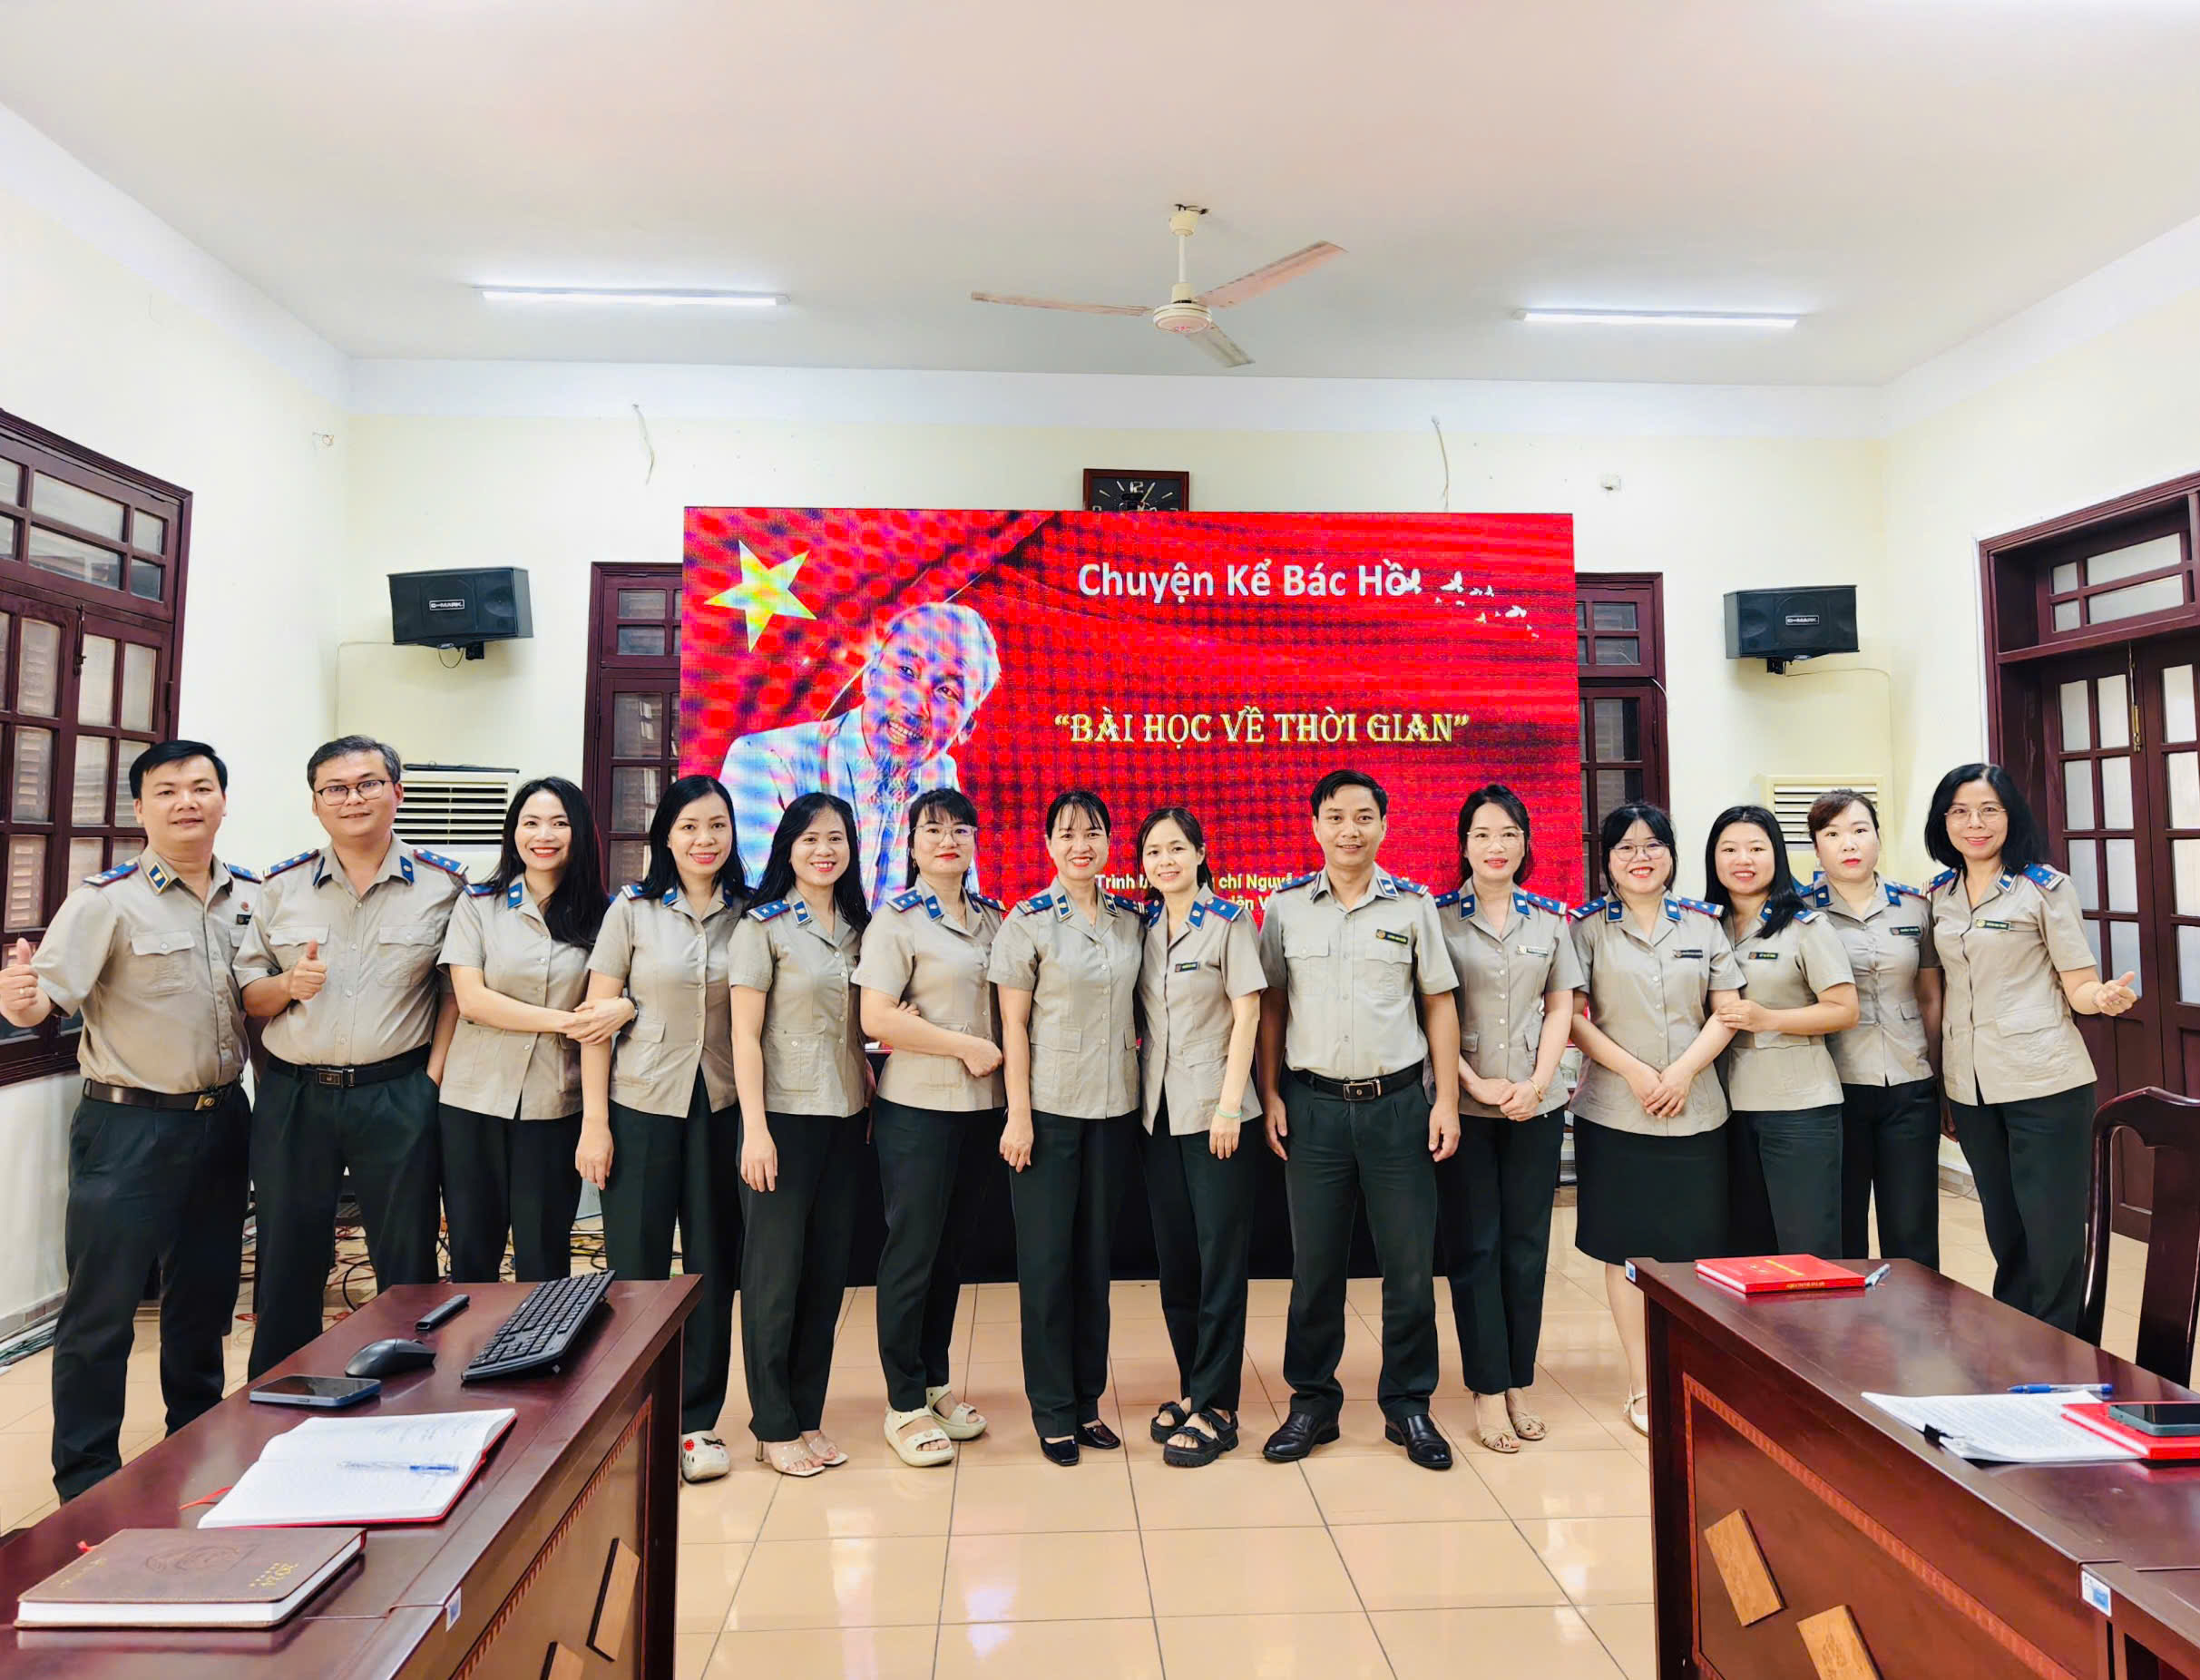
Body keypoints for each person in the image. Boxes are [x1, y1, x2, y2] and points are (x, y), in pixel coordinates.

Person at [0, 742, 256, 1500]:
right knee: (102, 1311)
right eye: (167, 791)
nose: (187, 802)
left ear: (222, 800)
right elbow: (43, 1001)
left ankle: (196, 1445)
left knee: (203, 1300)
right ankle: (87, 1482)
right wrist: (19, 1000)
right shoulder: (105, 900)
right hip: (127, 1126)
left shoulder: (250, 896)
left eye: (201, 787)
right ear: (140, 809)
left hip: (221, 1119)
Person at [236, 736, 465, 1378]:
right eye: (334, 789)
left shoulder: (445, 887)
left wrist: (430, 1080)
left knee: (406, 1257)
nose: (352, 798)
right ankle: (281, 1392)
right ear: (315, 804)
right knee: (286, 1254)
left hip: (397, 1090)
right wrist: (289, 985)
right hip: (295, 1095)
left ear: (398, 791)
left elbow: (455, 993)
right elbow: (249, 994)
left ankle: (411, 1395)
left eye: (368, 784)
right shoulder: (281, 887)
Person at [1256, 769, 1462, 1471]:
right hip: (1311, 1107)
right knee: (1315, 1269)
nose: (1350, 830)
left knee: (1408, 1269)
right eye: (1336, 817)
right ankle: (1312, 1402)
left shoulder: (1412, 907)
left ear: (1383, 825)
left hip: (1398, 1108)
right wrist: (1269, 1093)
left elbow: (1437, 1002)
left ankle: (1407, 1404)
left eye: (1364, 817)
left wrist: (1444, 1100)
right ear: (1315, 826)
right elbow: (1271, 1007)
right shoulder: (1285, 909)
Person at [577, 774, 747, 1482]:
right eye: (688, 827)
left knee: (712, 1267)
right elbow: (595, 1021)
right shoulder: (632, 912)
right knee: (637, 1269)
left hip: (721, 1108)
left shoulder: (751, 914)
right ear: (665, 838)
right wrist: (594, 1124)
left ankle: (697, 1420)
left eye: (716, 825)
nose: (704, 839)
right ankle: (636, 1413)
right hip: (640, 1106)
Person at [1925, 763, 2135, 1332]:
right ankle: (2017, 1342)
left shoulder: (2045, 888)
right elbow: (1938, 991)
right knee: (2005, 1227)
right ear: (1943, 821)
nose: (1975, 823)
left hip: (2044, 1081)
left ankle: (2063, 1352)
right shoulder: (1938, 894)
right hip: (1970, 1086)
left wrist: (2102, 997)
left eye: (1988, 810)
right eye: (1960, 811)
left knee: (2053, 1229)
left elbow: (2079, 984)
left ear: (2010, 816)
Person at [1569, 802, 1741, 1436]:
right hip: (1616, 1111)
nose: (1640, 858)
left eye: (1653, 846)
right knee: (1626, 1251)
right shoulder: (1586, 929)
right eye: (1625, 848)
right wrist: (1639, 1074)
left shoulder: (1704, 925)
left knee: (1696, 1251)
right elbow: (1572, 1018)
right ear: (1607, 860)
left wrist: (1682, 1073)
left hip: (1697, 1110)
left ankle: (1694, 1377)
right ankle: (1643, 1385)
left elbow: (1727, 1011)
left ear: (1671, 855)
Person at [991, 790, 1144, 1466]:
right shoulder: (1026, 922)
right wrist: (1018, 1114)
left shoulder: (1130, 921)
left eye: (1093, 833)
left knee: (1093, 1266)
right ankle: (1052, 1411)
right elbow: (1013, 1025)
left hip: (1113, 1112)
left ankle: (1086, 1403)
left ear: (1109, 842)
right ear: (1048, 844)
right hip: (1048, 1114)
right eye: (1067, 834)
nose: (1081, 845)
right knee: (1047, 1265)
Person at [853, 786, 1005, 1468]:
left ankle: (935, 1382)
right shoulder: (896, 920)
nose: (949, 840)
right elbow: (876, 1018)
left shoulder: (993, 919)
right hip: (917, 1109)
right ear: (912, 844)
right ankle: (903, 1402)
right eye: (934, 830)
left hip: (979, 1109)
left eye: (961, 830)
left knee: (950, 1253)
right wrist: (963, 1045)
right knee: (911, 1255)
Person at [1432, 784, 1579, 1456]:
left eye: (1508, 834)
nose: (1496, 846)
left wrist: (1538, 1084)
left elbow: (1561, 1006)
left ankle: (1518, 1380)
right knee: (1475, 1247)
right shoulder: (1437, 918)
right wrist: (1473, 1083)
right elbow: (1428, 1011)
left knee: (1526, 1248)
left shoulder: (1550, 920)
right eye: (1482, 834)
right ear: (1463, 844)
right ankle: (1486, 1388)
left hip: (1533, 1104)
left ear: (1525, 843)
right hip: (1463, 1106)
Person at [438, 777, 631, 1284]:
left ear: (579, 833)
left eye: (559, 823)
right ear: (514, 832)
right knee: (472, 1253)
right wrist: (568, 1021)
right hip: (473, 1101)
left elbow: (630, 994)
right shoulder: (478, 904)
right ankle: (471, 1338)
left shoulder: (609, 914)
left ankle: (542, 1339)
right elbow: (472, 1000)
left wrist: (624, 1007)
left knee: (544, 1254)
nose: (543, 835)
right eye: (531, 823)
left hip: (555, 1103)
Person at [730, 793, 872, 1479]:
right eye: (811, 838)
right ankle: (771, 1422)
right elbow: (743, 1036)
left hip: (845, 1117)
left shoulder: (859, 927)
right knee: (774, 1277)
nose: (824, 850)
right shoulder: (762, 927)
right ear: (787, 846)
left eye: (836, 838)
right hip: (782, 1119)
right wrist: (755, 1130)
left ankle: (807, 1415)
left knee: (824, 1276)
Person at [724, 601, 1002, 910]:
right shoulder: (764, 761)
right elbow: (767, 916)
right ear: (870, 675)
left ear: (966, 728)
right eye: (906, 671)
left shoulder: (939, 775)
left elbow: (958, 910)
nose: (915, 706)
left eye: (947, 692)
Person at [1134, 806, 1262, 1470]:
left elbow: (1249, 1014)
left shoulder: (1229, 922)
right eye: (1153, 852)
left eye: (1176, 848)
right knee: (1177, 1262)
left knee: (1219, 1263)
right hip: (1158, 1116)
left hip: (1218, 1116)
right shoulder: (1144, 928)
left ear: (1201, 853)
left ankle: (1218, 1404)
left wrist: (1230, 1105)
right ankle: (1193, 1387)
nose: (1165, 861)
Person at [1703, 804, 1858, 1259]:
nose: (1743, 860)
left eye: (1756, 848)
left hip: (1797, 1109)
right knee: (1745, 1253)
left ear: (1777, 855)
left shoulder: (1805, 926)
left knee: (1806, 1249)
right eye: (1729, 849)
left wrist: (1768, 1018)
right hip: (1724, 1109)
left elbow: (1844, 1009)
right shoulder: (1704, 927)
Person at [1807, 789, 1944, 1266]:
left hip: (1910, 1083)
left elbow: (1930, 996)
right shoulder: (1801, 912)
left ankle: (1917, 1315)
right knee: (1842, 1228)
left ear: (1878, 839)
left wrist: (1939, 1076)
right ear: (1816, 847)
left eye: (1860, 830)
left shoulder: (1915, 907)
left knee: (1913, 1226)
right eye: (1832, 834)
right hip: (1833, 1087)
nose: (1849, 843)